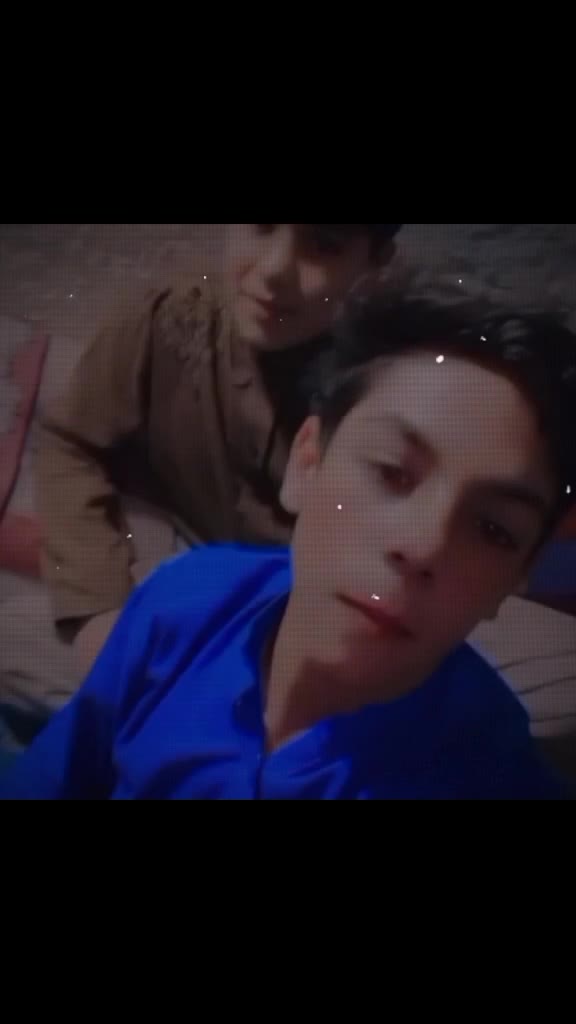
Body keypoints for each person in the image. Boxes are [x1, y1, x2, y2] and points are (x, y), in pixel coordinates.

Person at [3, 280, 575, 800]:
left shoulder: (491, 779)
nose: (424, 545)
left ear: (519, 574)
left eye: (494, 529)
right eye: (391, 472)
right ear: (306, 462)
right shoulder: (185, 605)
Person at [36, 223, 401, 681]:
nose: (273, 270)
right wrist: (98, 610)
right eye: (260, 227)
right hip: (182, 573)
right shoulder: (166, 319)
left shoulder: (391, 391)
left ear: (375, 264)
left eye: (324, 245)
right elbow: (70, 440)